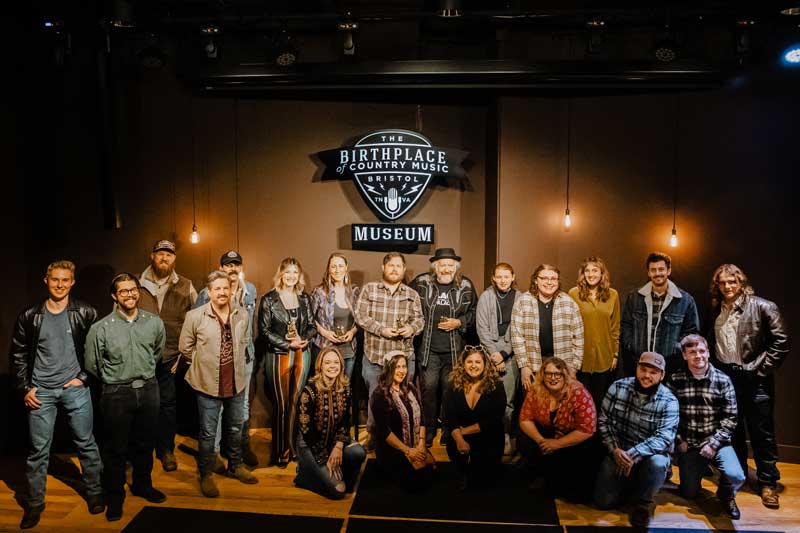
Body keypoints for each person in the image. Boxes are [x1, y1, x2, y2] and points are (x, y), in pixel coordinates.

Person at [10, 260, 103, 529]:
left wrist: (83, 378)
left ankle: (95, 493)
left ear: (72, 282)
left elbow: (97, 350)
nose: (60, 285)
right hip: (41, 392)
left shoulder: (85, 311)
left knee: (86, 443)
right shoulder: (30, 315)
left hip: (74, 390)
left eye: (65, 280)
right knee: (39, 451)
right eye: (55, 280)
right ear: (46, 280)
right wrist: (25, 387)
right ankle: (35, 504)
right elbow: (17, 354)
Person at [84, 273, 167, 521]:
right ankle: (115, 496)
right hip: (116, 393)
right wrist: (118, 378)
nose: (129, 295)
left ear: (138, 292)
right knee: (115, 449)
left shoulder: (154, 323)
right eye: (123, 291)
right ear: (114, 296)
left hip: (149, 389)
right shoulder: (100, 328)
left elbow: (158, 352)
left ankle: (143, 485)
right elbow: (92, 365)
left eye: (132, 290)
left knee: (145, 443)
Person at [707, 264, 790, 509]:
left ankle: (768, 483)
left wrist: (762, 370)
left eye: (732, 281)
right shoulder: (716, 309)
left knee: (761, 432)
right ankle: (738, 475)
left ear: (740, 282)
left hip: (755, 376)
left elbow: (782, 341)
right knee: (732, 429)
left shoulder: (763, 306)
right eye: (722, 283)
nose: (727, 287)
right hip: (727, 377)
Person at [179, 271, 257, 497]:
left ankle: (235, 465)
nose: (222, 292)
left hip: (236, 382)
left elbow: (245, 342)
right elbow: (185, 347)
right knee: (208, 433)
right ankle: (205, 473)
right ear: (209, 292)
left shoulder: (242, 314)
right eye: (217, 289)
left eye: (225, 288)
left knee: (235, 427)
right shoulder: (195, 316)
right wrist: (202, 362)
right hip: (207, 384)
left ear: (230, 290)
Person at [593, 352, 679, 528]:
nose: (646, 375)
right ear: (637, 368)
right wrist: (614, 450)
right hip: (618, 451)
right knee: (604, 502)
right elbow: (603, 421)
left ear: (662, 375)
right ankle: (631, 484)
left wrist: (632, 455)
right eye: (643, 369)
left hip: (647, 456)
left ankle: (643, 502)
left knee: (658, 463)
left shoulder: (669, 400)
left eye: (653, 372)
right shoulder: (617, 387)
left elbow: (664, 437)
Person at [666, 334, 744, 519]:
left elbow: (731, 418)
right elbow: (669, 416)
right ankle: (695, 474)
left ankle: (726, 495)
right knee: (689, 493)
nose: (698, 355)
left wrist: (714, 444)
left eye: (702, 351)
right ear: (684, 355)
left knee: (736, 476)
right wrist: (679, 441)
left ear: (708, 353)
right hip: (689, 444)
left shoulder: (723, 380)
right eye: (692, 352)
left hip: (717, 442)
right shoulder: (676, 379)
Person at [354, 252, 424, 450]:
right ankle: (374, 437)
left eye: (398, 266)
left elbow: (420, 320)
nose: (394, 269)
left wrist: (410, 329)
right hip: (375, 357)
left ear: (404, 269)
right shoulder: (370, 290)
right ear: (383, 268)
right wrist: (381, 330)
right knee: (374, 400)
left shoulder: (412, 295)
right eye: (390, 265)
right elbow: (360, 316)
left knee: (404, 400)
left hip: (403, 357)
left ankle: (403, 436)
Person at [195, 250, 259, 468]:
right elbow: (196, 324)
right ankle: (213, 453)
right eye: (228, 265)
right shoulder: (208, 292)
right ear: (221, 268)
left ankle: (241, 447)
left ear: (241, 267)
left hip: (244, 356)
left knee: (241, 406)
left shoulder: (250, 289)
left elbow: (249, 324)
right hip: (217, 358)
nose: (232, 269)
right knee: (217, 407)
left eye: (236, 265)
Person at [138, 239, 198, 472]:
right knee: (142, 405)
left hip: (171, 356)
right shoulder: (135, 283)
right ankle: (142, 451)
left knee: (167, 405)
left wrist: (186, 354)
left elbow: (197, 321)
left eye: (169, 255)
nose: (164, 258)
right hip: (141, 357)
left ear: (174, 259)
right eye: (160, 253)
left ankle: (166, 451)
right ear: (152, 256)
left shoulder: (186, 285)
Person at [410, 248, 477, 448]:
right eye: (442, 265)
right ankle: (429, 430)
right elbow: (407, 303)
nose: (446, 269)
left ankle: (449, 430)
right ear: (435, 267)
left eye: (450, 265)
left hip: (454, 350)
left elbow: (475, 312)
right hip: (428, 349)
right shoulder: (422, 282)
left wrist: (459, 322)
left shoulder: (465, 285)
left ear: (455, 268)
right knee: (428, 389)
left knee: (450, 390)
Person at [258, 257, 317, 467]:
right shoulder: (269, 300)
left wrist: (304, 339)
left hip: (302, 353)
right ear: (280, 274)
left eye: (295, 272)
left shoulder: (304, 299)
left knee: (295, 402)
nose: (291, 276)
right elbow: (264, 332)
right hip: (278, 354)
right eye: (287, 272)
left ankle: (292, 448)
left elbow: (312, 326)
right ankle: (279, 451)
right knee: (281, 405)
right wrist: (286, 344)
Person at [517, 357, 596, 500]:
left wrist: (557, 444)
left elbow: (587, 429)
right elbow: (525, 418)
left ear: (565, 375)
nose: (553, 378)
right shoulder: (536, 389)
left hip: (571, 438)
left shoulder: (578, 392)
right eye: (548, 374)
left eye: (557, 374)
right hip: (547, 434)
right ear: (543, 375)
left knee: (571, 493)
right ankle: (540, 473)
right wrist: (541, 441)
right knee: (524, 439)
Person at [295, 347, 366, 499]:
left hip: (334, 443)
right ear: (320, 366)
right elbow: (307, 431)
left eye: (336, 362)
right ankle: (304, 474)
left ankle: (335, 474)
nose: (332, 366)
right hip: (311, 447)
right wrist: (324, 456)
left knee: (359, 453)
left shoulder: (345, 388)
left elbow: (346, 422)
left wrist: (339, 446)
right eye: (328, 363)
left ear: (341, 365)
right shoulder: (309, 392)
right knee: (338, 491)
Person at [620, 251, 699, 378]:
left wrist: (676, 348)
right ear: (648, 272)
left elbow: (691, 332)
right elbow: (626, 325)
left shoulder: (685, 300)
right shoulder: (634, 297)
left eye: (661, 269)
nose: (657, 273)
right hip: (640, 364)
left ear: (669, 271)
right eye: (653, 270)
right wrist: (631, 345)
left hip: (670, 367)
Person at [510, 264, 584, 392]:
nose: (549, 282)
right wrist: (524, 366)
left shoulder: (568, 303)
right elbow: (517, 336)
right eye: (544, 278)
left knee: (560, 409)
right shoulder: (523, 302)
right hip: (533, 368)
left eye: (553, 279)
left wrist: (574, 368)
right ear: (535, 280)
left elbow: (578, 338)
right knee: (533, 409)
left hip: (562, 369)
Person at [443, 346, 506, 490]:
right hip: (460, 437)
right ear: (463, 364)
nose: (473, 366)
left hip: (487, 437)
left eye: (478, 362)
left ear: (485, 364)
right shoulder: (453, 384)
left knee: (483, 482)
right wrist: (459, 439)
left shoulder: (496, 386)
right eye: (469, 362)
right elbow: (449, 416)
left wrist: (463, 431)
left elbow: (494, 419)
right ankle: (462, 471)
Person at [369, 351, 434, 490]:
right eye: (397, 367)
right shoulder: (379, 395)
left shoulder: (410, 387)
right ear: (388, 369)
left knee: (430, 469)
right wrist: (408, 451)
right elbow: (385, 432)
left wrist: (421, 445)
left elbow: (422, 417)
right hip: (393, 448)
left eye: (404, 366)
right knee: (415, 481)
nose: (401, 371)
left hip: (415, 443)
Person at [476, 262, 521, 455]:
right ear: (493, 278)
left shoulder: (521, 298)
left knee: (508, 401)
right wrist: (495, 355)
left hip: (512, 352)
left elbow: (520, 331)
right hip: (489, 354)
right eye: (499, 276)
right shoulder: (486, 296)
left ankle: (505, 435)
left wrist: (503, 354)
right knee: (487, 399)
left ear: (512, 277)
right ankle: (488, 436)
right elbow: (482, 329)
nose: (503, 280)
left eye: (506, 276)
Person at [568, 256, 620, 408]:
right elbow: (568, 326)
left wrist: (615, 354)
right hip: (580, 358)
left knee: (599, 401)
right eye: (587, 271)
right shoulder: (573, 294)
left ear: (602, 273)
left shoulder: (613, 295)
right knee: (580, 402)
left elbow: (615, 326)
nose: (591, 274)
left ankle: (597, 431)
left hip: (604, 357)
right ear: (582, 274)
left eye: (595, 270)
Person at [310, 253, 359, 378]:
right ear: (329, 269)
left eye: (340, 266)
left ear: (346, 268)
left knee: (344, 389)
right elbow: (309, 319)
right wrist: (325, 333)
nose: (337, 270)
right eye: (333, 266)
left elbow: (361, 320)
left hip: (348, 350)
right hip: (325, 348)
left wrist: (353, 332)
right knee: (324, 389)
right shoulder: (320, 292)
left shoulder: (354, 291)